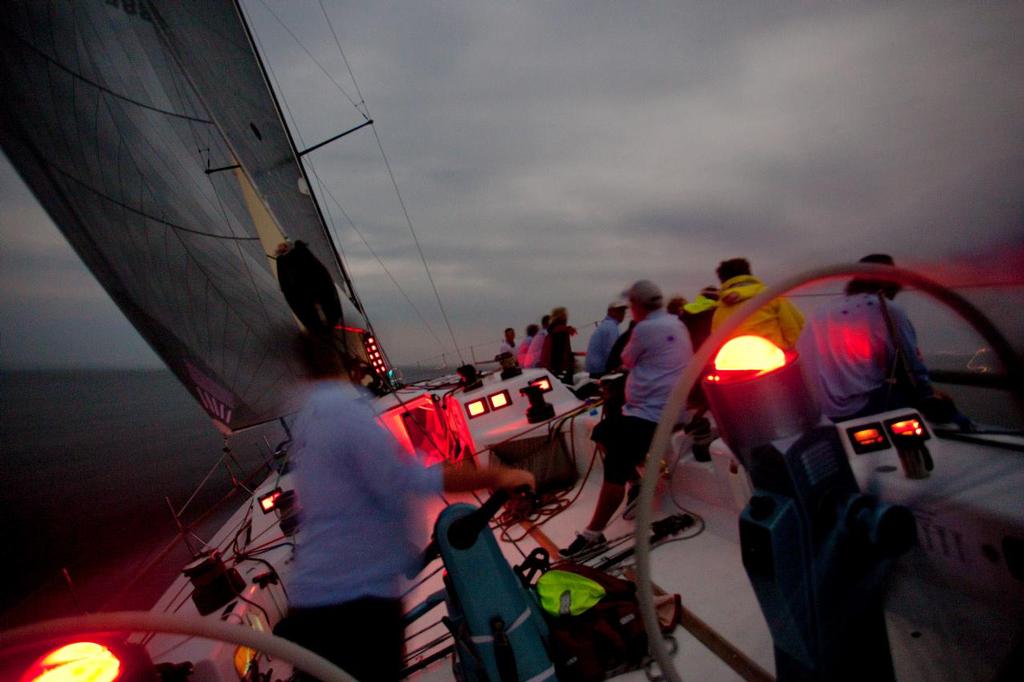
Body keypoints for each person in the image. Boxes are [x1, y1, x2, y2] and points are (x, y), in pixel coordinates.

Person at [278, 333, 535, 681]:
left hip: (320, 600)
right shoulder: (344, 414)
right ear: (344, 363)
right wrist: (501, 476)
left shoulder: (309, 417)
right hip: (356, 607)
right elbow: (409, 479)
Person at [561, 280, 692, 556]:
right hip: (664, 409)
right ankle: (637, 482)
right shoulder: (675, 323)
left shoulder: (645, 329)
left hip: (649, 416)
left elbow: (628, 360)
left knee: (614, 463)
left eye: (632, 305)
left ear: (638, 305)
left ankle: (593, 534)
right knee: (601, 432)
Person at [798, 254, 942, 422]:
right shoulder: (888, 310)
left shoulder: (824, 310)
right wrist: (930, 399)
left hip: (821, 414)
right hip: (859, 408)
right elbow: (912, 366)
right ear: (892, 282)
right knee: (939, 405)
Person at [711, 258, 804, 350]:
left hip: (733, 362)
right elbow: (795, 328)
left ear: (723, 281)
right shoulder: (771, 296)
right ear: (748, 274)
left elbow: (716, 344)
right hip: (775, 359)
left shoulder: (720, 309)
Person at [585, 301, 628, 378]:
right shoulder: (611, 327)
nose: (622, 313)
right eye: (619, 310)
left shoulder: (605, 325)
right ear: (610, 311)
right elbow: (612, 351)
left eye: (623, 311)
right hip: (601, 370)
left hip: (594, 369)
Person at [540, 307, 577, 383]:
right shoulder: (560, 331)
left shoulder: (553, 329)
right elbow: (558, 351)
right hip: (558, 367)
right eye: (565, 315)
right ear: (562, 316)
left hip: (549, 366)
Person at [679, 286, 719, 353]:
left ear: (701, 296)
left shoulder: (686, 310)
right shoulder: (718, 310)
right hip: (713, 349)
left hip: (691, 349)